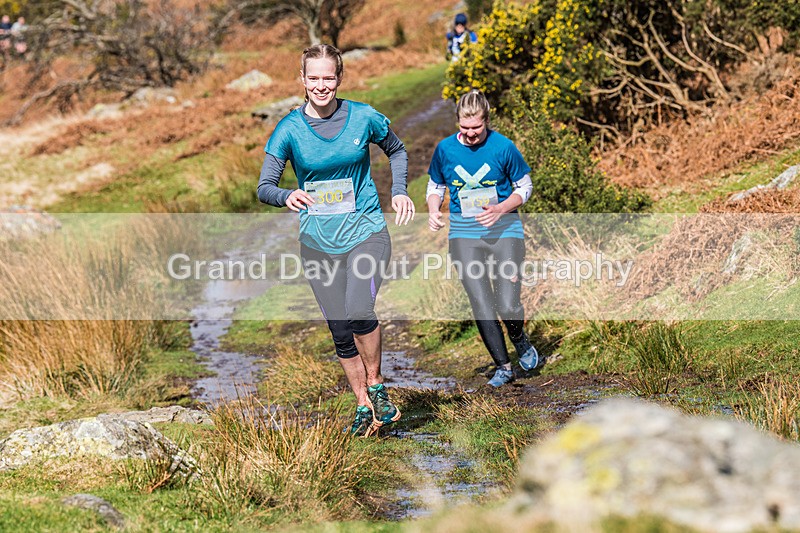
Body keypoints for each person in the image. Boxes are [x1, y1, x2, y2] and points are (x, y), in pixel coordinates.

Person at [257, 44, 415, 436]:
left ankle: (376, 386)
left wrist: (399, 190)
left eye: (329, 77)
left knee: (359, 308)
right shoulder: (289, 129)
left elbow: (396, 149)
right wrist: (285, 195)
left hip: (366, 232)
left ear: (339, 78)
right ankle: (363, 405)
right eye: (314, 78)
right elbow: (264, 186)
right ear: (303, 80)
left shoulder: (363, 116)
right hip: (317, 243)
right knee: (341, 329)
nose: (322, 85)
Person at [426, 89, 544, 387]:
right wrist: (432, 211)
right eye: (463, 128)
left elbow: (525, 186)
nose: (469, 134)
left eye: (475, 128)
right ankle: (503, 367)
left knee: (506, 302)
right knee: (480, 300)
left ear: (486, 121)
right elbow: (435, 186)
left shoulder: (503, 147)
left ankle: (519, 338)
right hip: (465, 235)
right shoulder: (445, 149)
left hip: (506, 231)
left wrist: (502, 208)